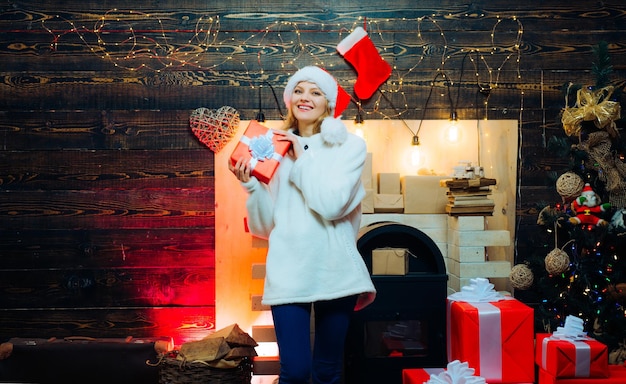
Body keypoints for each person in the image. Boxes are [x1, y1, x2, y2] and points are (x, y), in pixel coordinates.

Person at [229, 65, 376, 384]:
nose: (305, 97)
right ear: (288, 98)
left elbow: (332, 204)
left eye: (315, 91)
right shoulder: (271, 147)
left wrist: (301, 156)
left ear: (329, 103)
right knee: (294, 371)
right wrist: (253, 186)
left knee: (327, 370)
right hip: (289, 268)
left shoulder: (349, 147)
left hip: (334, 269)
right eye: (298, 90)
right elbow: (265, 227)